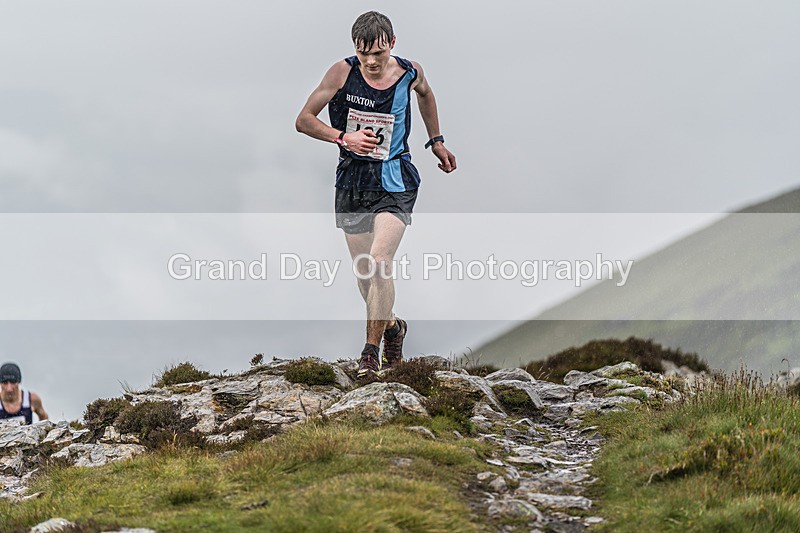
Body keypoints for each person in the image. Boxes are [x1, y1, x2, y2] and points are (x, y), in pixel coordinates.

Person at [296, 11, 457, 378]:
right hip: (353, 180)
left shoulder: (410, 72)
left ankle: (370, 354)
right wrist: (343, 137)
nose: (371, 61)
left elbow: (427, 95)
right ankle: (393, 325)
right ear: (356, 48)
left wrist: (436, 141)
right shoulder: (341, 73)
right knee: (365, 274)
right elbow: (304, 119)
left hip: (396, 179)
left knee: (380, 259)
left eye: (379, 54)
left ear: (392, 45)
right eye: (365, 53)